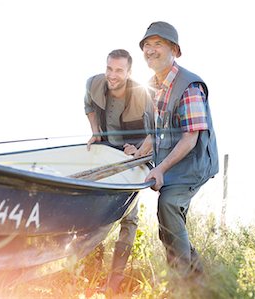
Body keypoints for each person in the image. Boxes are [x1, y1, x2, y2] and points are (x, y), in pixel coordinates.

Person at [134, 21, 219, 280]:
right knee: (168, 222)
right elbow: (155, 131)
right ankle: (199, 283)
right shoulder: (152, 85)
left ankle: (183, 285)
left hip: (193, 164)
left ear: (175, 50)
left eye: (158, 44)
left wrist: (159, 169)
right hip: (174, 165)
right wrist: (138, 153)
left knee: (169, 205)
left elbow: (189, 138)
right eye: (146, 45)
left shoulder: (189, 86)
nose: (150, 50)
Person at [83, 49, 153, 293]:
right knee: (93, 209)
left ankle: (115, 281)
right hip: (105, 154)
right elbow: (88, 105)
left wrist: (140, 148)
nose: (113, 75)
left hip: (133, 160)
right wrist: (96, 132)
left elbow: (157, 131)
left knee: (129, 218)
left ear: (129, 72)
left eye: (119, 70)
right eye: (110, 69)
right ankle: (90, 272)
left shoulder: (143, 95)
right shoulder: (94, 84)